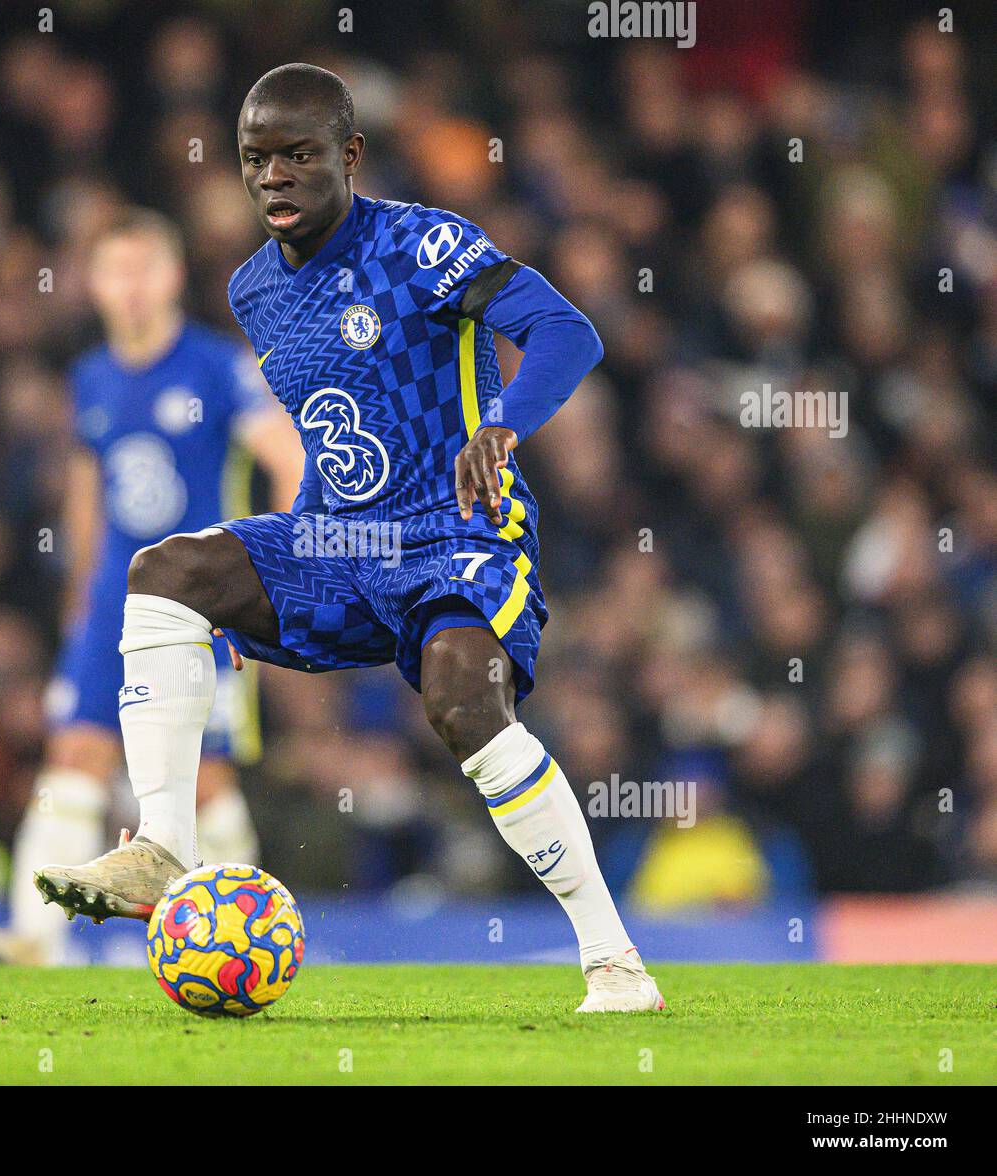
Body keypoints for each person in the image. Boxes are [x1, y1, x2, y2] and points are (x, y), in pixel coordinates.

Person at [34, 67, 663, 1011]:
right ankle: (163, 849)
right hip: (336, 544)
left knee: (463, 700)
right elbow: (329, 430)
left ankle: (614, 962)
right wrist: (241, 614)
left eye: (299, 155)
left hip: (457, 531)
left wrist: (503, 427)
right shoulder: (253, 291)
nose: (275, 177)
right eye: (257, 160)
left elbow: (564, 330)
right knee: (165, 575)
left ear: (350, 156)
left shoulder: (426, 244)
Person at [0, 209, 301, 964]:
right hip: (114, 609)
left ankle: (251, 932)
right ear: (94, 284)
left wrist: (274, 577)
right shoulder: (90, 376)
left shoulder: (219, 366)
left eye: (146, 269)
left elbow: (287, 458)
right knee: (74, 753)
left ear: (174, 276)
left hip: (203, 605)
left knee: (205, 776)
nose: (132, 288)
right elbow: (89, 485)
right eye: (116, 271)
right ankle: (33, 935)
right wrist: (83, 591)